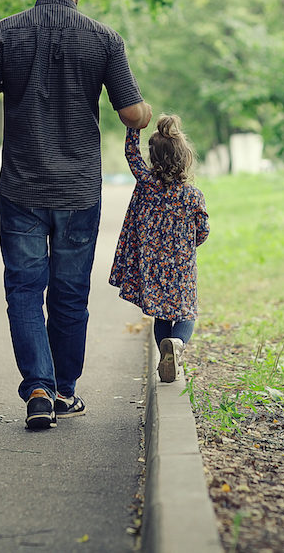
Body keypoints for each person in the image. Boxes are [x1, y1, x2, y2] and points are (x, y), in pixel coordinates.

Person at [0, 0, 153, 431]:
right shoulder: (104, 39)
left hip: (21, 187)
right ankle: (64, 390)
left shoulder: (2, 34)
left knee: (23, 289)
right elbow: (131, 113)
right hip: (79, 189)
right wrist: (144, 115)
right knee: (69, 293)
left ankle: (37, 389)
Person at [109, 115, 209, 383]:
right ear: (185, 158)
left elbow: (131, 153)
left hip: (153, 266)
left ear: (153, 159)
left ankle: (166, 351)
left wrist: (134, 121)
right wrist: (189, 244)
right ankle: (177, 344)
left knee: (161, 314)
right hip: (182, 266)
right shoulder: (192, 195)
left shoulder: (147, 184)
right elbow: (203, 231)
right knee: (187, 312)